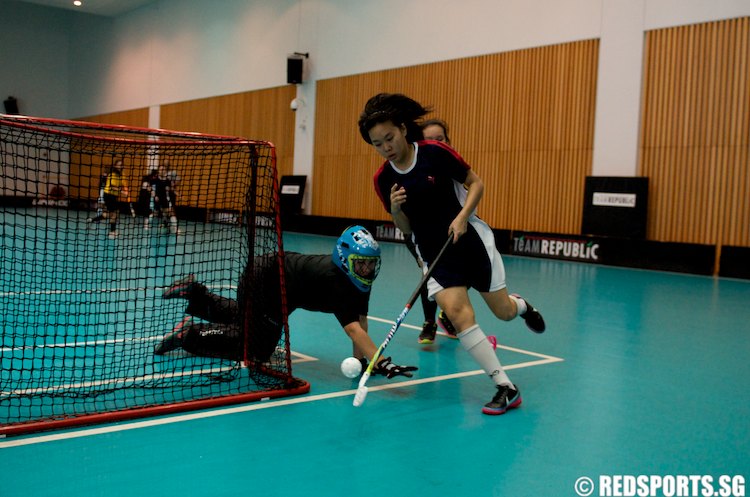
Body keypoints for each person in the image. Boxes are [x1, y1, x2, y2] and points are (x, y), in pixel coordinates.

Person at [359, 93, 546, 415]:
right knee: (460, 316)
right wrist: (394, 209)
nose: (386, 147)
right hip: (435, 252)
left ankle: (522, 305)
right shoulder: (383, 178)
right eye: (378, 144)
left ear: (403, 129)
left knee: (502, 312)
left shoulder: (434, 154)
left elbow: (476, 183)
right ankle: (505, 386)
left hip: (470, 239)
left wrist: (461, 218)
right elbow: (404, 228)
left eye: (389, 138)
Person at [154, 225, 417, 379]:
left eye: (370, 265)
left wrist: (364, 365)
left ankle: (196, 294)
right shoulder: (337, 281)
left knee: (247, 317)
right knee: (256, 349)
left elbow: (360, 320)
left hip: (278, 283)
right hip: (266, 281)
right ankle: (189, 334)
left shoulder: (360, 280)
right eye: (361, 264)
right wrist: (382, 363)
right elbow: (352, 330)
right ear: (344, 258)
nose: (366, 270)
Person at [413, 119, 457, 344]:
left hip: (454, 231)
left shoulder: (456, 167)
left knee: (463, 275)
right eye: (429, 140)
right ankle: (429, 323)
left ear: (448, 141)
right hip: (424, 233)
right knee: (429, 276)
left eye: (440, 139)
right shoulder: (417, 170)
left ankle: (447, 315)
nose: (435, 144)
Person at [86, 159, 130, 239]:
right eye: (119, 165)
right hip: (108, 195)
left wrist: (126, 190)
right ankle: (112, 232)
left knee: (108, 214)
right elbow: (112, 186)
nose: (120, 166)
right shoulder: (112, 174)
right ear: (115, 166)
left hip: (115, 196)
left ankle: (92, 219)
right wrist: (123, 192)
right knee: (114, 213)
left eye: (121, 165)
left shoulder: (122, 174)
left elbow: (124, 183)